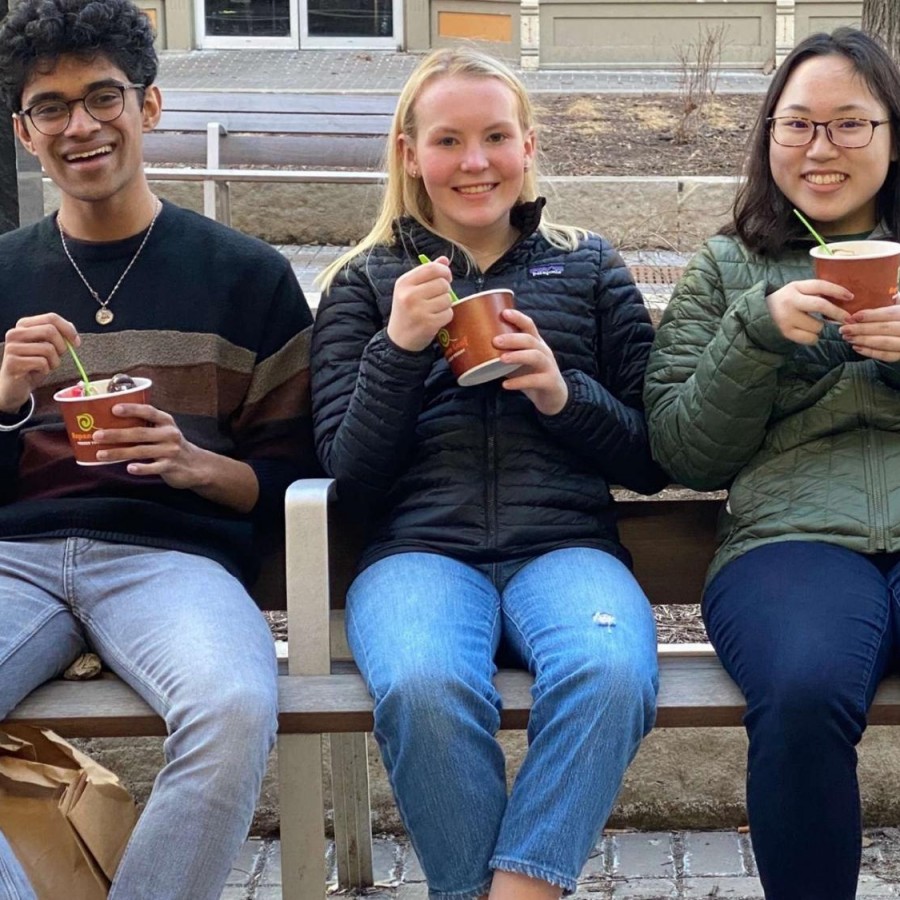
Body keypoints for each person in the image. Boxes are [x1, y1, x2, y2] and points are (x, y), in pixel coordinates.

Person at [311, 46, 666, 900]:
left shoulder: (586, 266)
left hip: (566, 546)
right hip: (417, 554)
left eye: (496, 136)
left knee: (610, 671)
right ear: (409, 154)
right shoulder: (362, 283)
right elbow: (347, 478)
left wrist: (561, 393)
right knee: (424, 685)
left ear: (529, 146)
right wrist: (397, 348)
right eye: (448, 140)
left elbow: (655, 458)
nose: (475, 163)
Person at [0, 0, 316, 896]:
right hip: (12, 560)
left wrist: (195, 464)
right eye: (51, 107)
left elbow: (299, 474)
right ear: (25, 133)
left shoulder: (246, 275)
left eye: (104, 96)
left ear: (151, 106)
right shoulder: (2, 275)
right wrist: (5, 401)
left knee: (232, 707)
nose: (82, 126)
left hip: (171, 561)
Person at [643, 26, 900, 900]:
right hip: (791, 543)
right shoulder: (726, 266)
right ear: (769, 137)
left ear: (891, 134)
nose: (820, 149)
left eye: (850, 124)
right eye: (797, 125)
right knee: (800, 692)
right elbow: (681, 448)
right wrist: (753, 334)